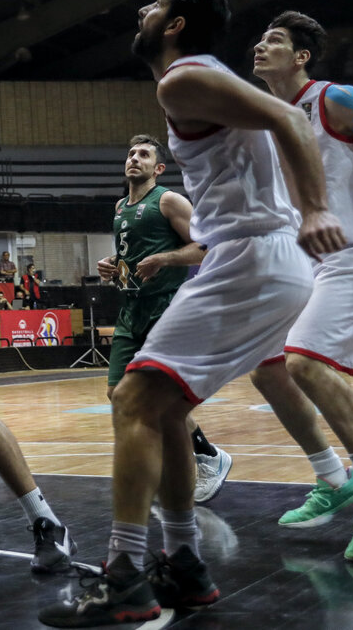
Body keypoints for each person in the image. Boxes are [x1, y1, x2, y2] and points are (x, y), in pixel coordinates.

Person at [39, 0, 345, 627]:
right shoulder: (199, 83)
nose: (143, 9)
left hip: (251, 259)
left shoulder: (182, 79)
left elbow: (291, 117)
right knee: (168, 410)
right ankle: (183, 561)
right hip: (252, 259)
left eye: (157, 4)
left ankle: (124, 572)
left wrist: (315, 207)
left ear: (176, 24)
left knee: (133, 400)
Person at [247, 11, 353, 560]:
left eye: (275, 40)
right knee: (268, 370)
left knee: (305, 364)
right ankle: (333, 477)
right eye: (260, 39)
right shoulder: (266, 116)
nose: (261, 47)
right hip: (301, 259)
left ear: (302, 56)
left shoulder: (339, 100)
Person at [96, 135, 231, 504]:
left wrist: (165, 260)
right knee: (116, 393)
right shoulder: (120, 206)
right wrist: (111, 266)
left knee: (162, 396)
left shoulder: (168, 200)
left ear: (158, 168)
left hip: (165, 307)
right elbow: (134, 255)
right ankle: (197, 456)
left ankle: (204, 457)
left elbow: (204, 247)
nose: (133, 158)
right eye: (130, 153)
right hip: (130, 310)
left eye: (143, 155)